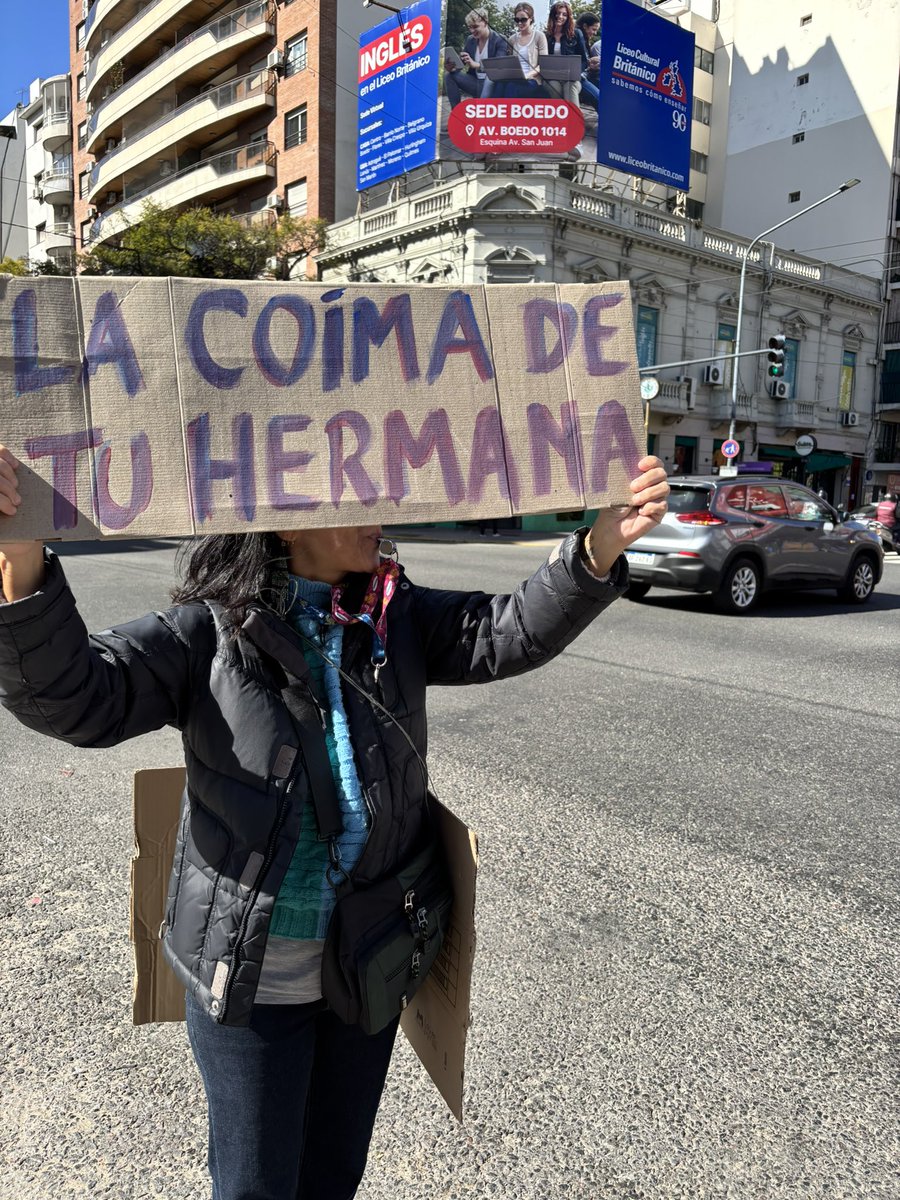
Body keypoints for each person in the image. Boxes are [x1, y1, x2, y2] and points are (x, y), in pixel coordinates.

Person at [0, 442, 668, 1200]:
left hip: (367, 963)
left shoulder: (394, 612)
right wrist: (21, 555)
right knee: (255, 1186)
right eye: (354, 501)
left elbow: (504, 632)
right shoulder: (205, 635)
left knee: (333, 1178)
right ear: (285, 524)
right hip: (253, 981)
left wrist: (599, 546)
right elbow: (78, 697)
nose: (379, 519)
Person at [443, 8, 510, 107]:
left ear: (486, 22)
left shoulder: (500, 39)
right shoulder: (470, 40)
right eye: (470, 27)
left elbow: (498, 66)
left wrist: (476, 65)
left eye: (475, 27)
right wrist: (453, 66)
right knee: (448, 75)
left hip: (494, 85)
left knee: (489, 79)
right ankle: (456, 113)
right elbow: (462, 64)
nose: (472, 31)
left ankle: (482, 110)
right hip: (475, 82)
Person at [494, 3, 549, 99]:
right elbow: (509, 63)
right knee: (499, 85)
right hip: (515, 78)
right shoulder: (512, 39)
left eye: (523, 19)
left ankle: (508, 112)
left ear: (531, 18)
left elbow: (543, 64)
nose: (519, 23)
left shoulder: (539, 36)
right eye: (517, 20)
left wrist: (527, 75)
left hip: (532, 80)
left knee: (512, 88)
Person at [575, 11, 601, 113]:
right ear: (585, 26)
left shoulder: (585, 40)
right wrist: (589, 63)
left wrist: (592, 65)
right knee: (600, 99)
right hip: (579, 78)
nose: (595, 33)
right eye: (593, 29)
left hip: (585, 75)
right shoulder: (577, 36)